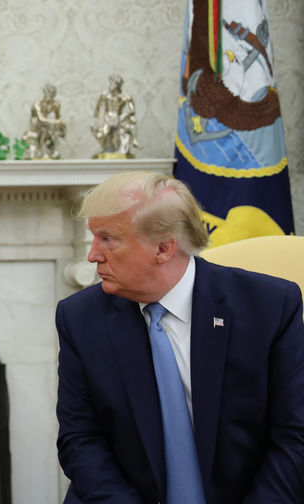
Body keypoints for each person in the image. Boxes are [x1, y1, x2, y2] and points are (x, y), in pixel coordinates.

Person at [55, 171, 304, 503]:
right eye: (93, 237)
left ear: (163, 248)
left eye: (108, 239)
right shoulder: (80, 317)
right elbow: (80, 439)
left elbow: (294, 436)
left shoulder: (269, 307)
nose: (93, 255)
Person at [90, 74, 138, 158]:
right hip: (108, 119)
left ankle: (131, 142)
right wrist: (96, 122)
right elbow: (97, 109)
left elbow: (132, 110)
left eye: (112, 83)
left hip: (119, 119)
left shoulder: (125, 97)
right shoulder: (105, 95)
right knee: (103, 133)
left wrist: (125, 116)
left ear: (118, 85)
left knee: (131, 123)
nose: (110, 85)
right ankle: (108, 148)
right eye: (110, 83)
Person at [22, 83, 66, 160]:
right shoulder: (37, 104)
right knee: (44, 129)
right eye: (48, 92)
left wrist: (62, 126)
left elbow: (58, 118)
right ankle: (39, 149)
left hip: (47, 125)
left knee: (54, 131)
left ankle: (52, 151)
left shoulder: (56, 105)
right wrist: (56, 122)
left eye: (52, 93)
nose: (50, 95)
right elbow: (41, 119)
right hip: (36, 125)